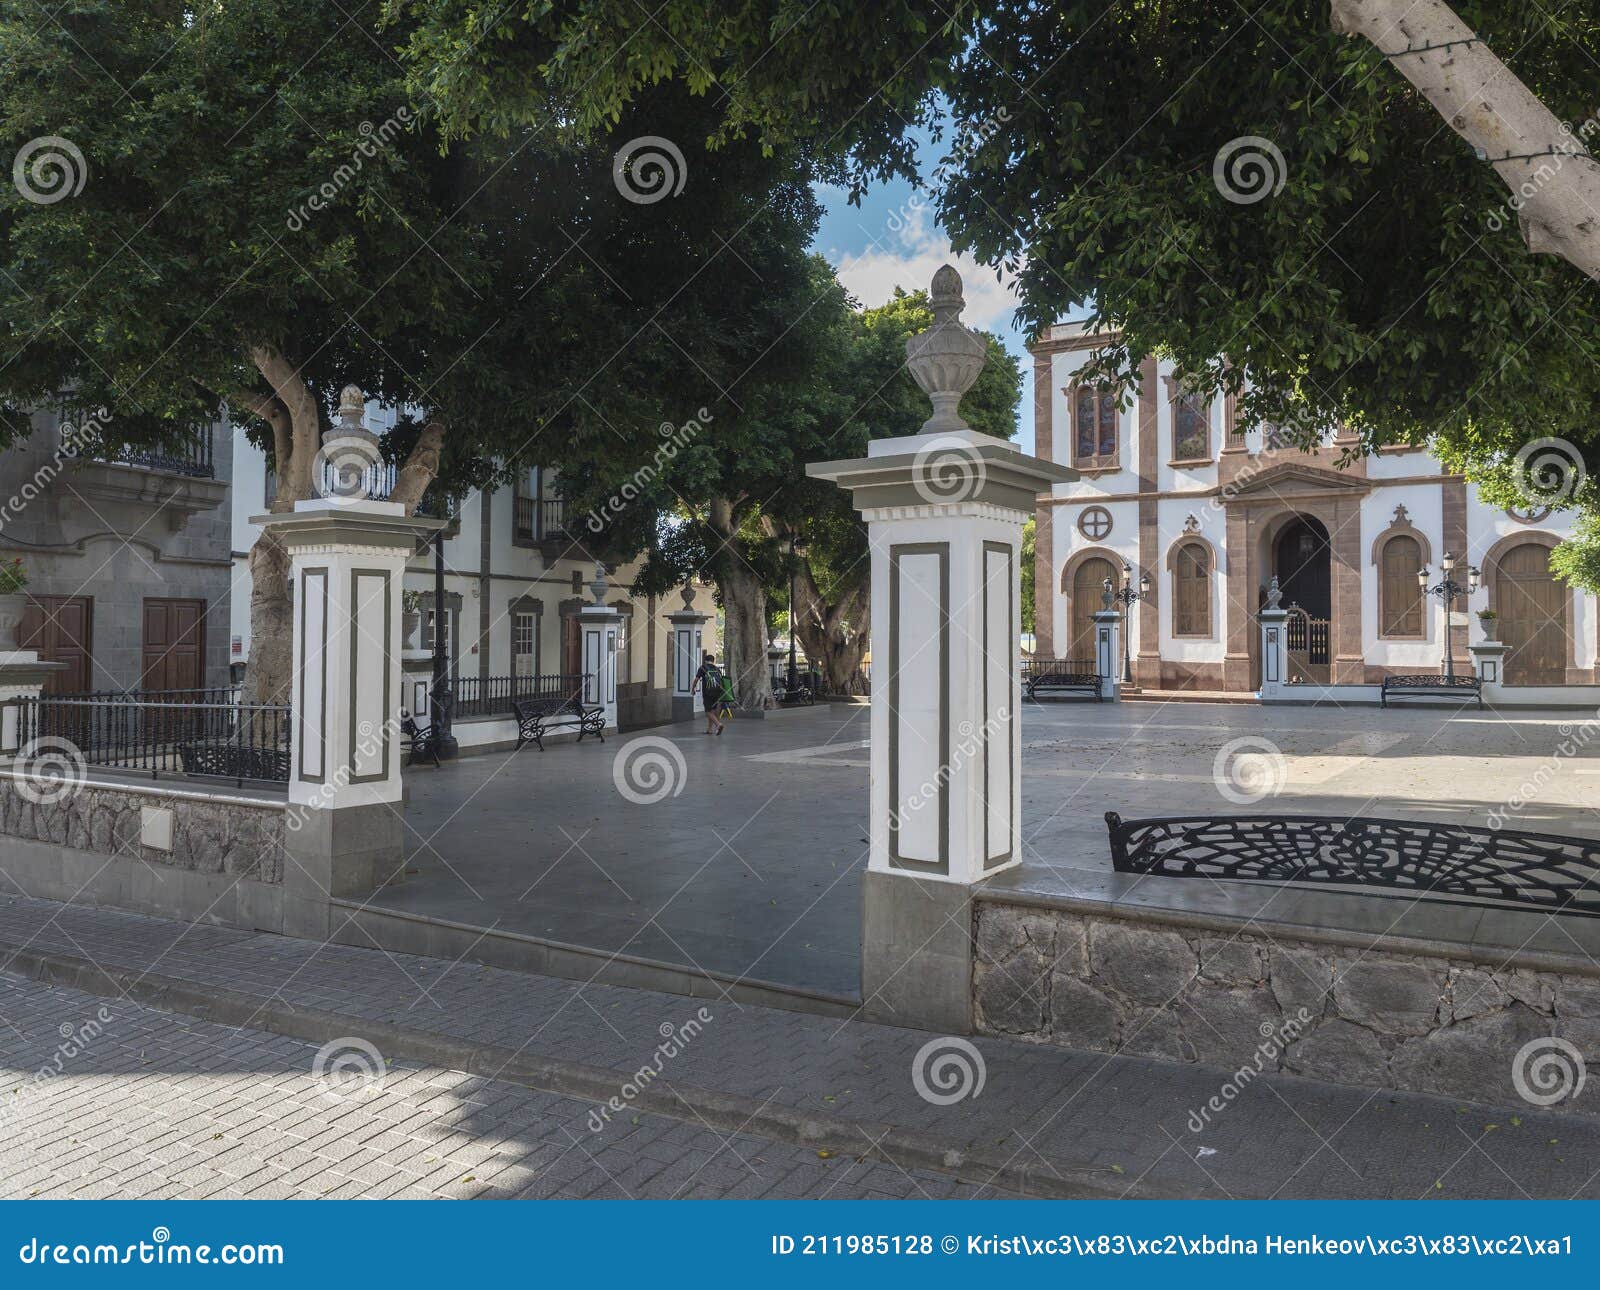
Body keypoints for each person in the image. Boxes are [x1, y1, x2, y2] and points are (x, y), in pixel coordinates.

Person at [692, 651, 729, 735]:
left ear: (705, 660)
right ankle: (709, 729)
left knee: (708, 712)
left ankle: (718, 725)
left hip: (708, 693)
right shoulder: (717, 669)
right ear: (713, 661)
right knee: (712, 710)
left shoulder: (703, 668)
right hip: (717, 692)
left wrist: (693, 688)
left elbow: (696, 679)